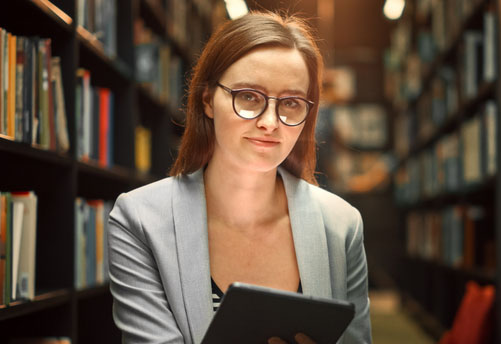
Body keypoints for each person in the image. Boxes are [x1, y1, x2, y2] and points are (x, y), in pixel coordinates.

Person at [108, 11, 372, 344]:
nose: (270, 122)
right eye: (248, 96)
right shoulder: (139, 219)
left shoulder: (342, 224)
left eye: (291, 102)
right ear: (207, 100)